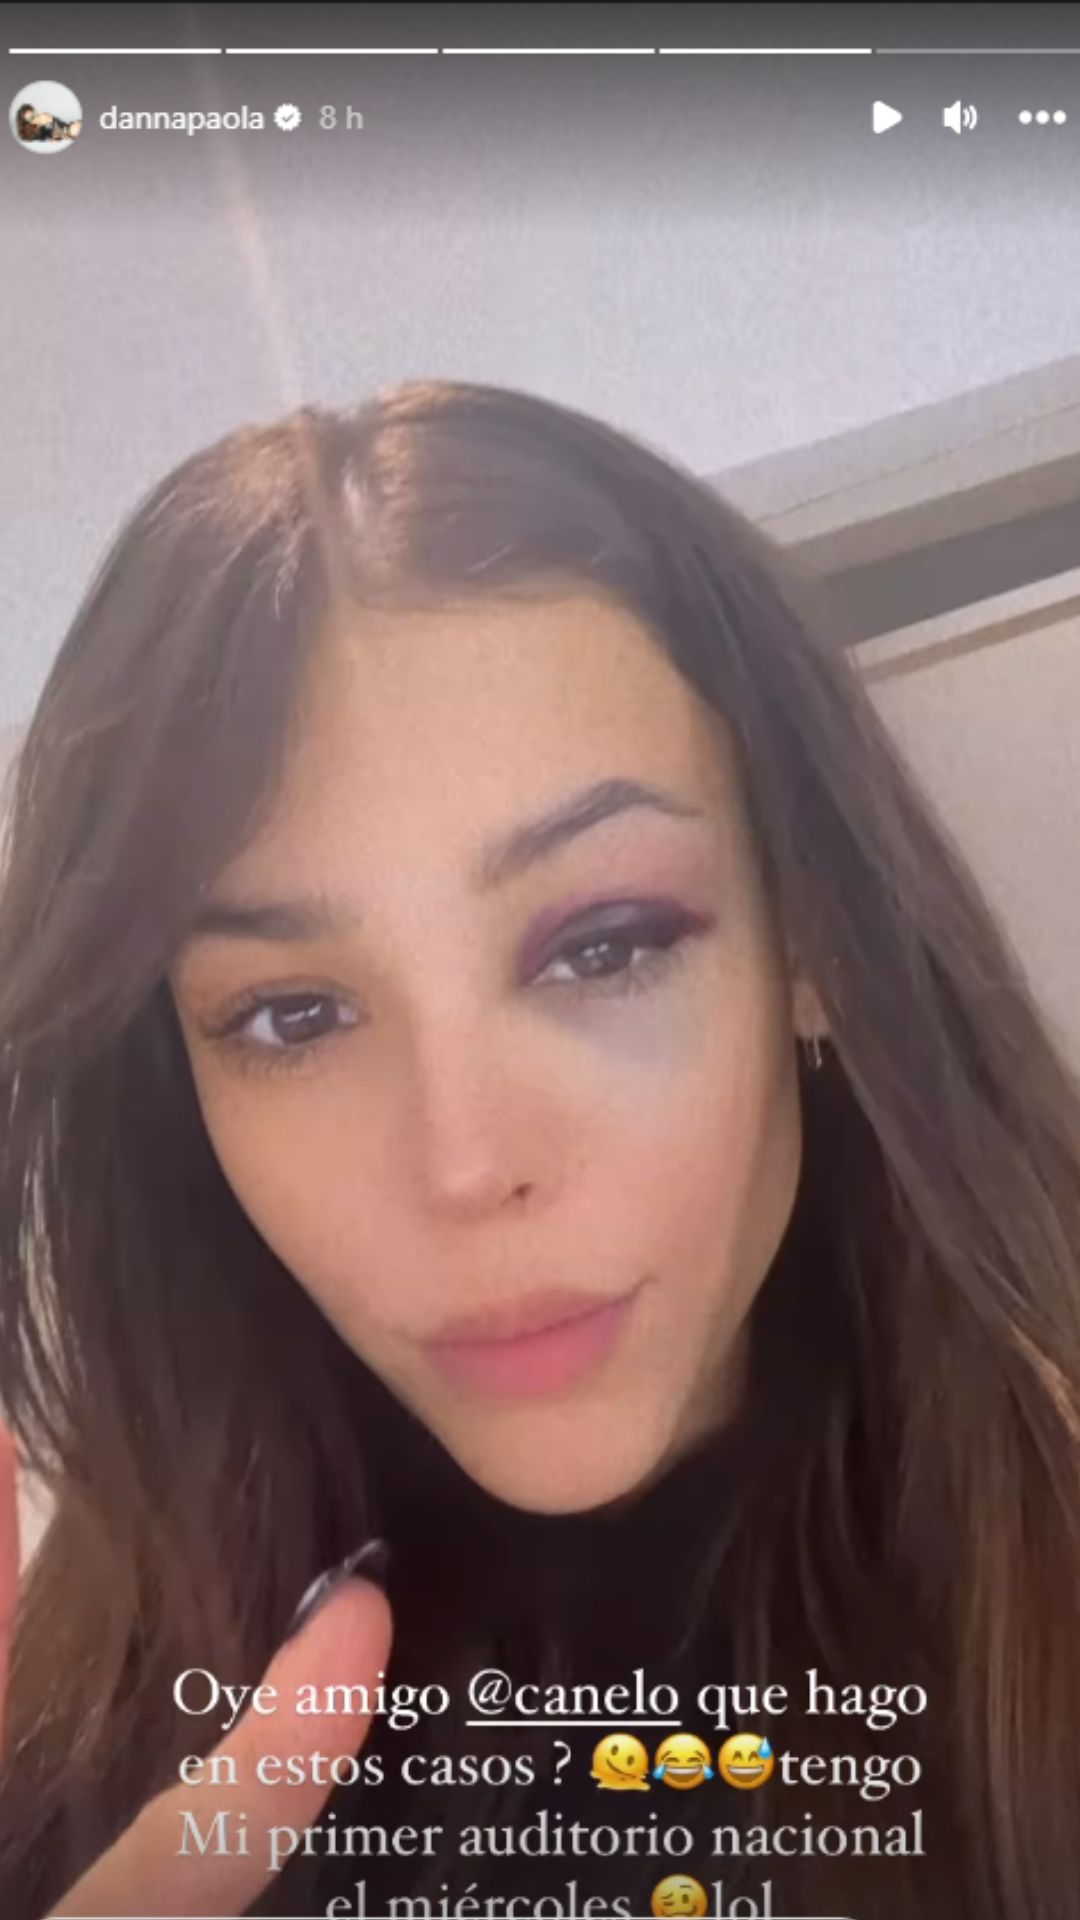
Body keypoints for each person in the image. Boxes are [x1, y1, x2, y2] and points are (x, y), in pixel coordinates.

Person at [1, 379, 1079, 1920]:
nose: (466, 1165)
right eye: (295, 1014)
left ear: (809, 944)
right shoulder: (106, 1709)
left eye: (603, 945)